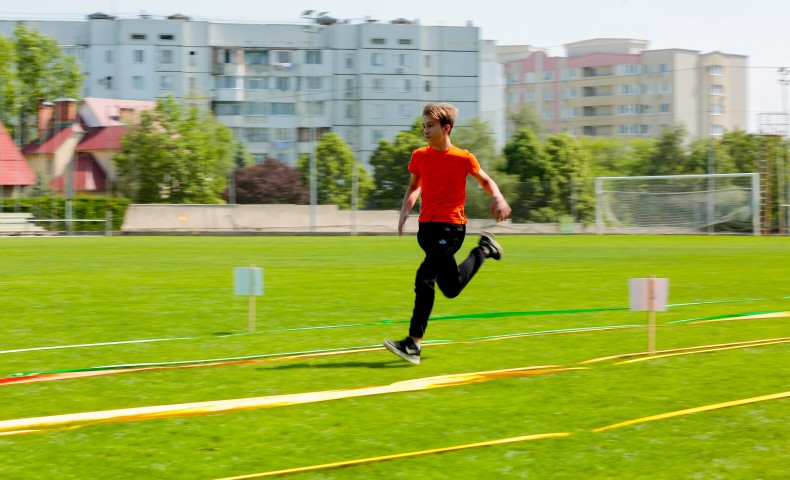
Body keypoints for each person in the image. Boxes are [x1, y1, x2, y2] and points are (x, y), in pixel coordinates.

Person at [384, 103, 512, 365]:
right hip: (427, 230)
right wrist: (405, 209)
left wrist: (498, 197)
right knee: (451, 287)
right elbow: (414, 186)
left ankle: (413, 344)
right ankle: (485, 249)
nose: (425, 130)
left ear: (446, 128)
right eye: (423, 126)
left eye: (430, 126)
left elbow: (486, 181)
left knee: (424, 278)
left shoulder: (463, 158)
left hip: (451, 228)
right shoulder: (419, 156)